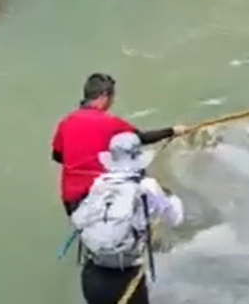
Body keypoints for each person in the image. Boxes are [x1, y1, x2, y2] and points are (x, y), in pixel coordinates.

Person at [71, 130, 184, 304]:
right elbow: (175, 218)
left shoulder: (99, 184)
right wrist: (171, 199)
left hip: (93, 275)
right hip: (127, 277)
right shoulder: (147, 186)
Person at [51, 73, 188, 215]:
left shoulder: (65, 123)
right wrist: (173, 131)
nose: (112, 102)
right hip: (101, 195)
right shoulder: (110, 123)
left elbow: (57, 156)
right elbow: (141, 138)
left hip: (72, 201)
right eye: (112, 97)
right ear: (104, 96)